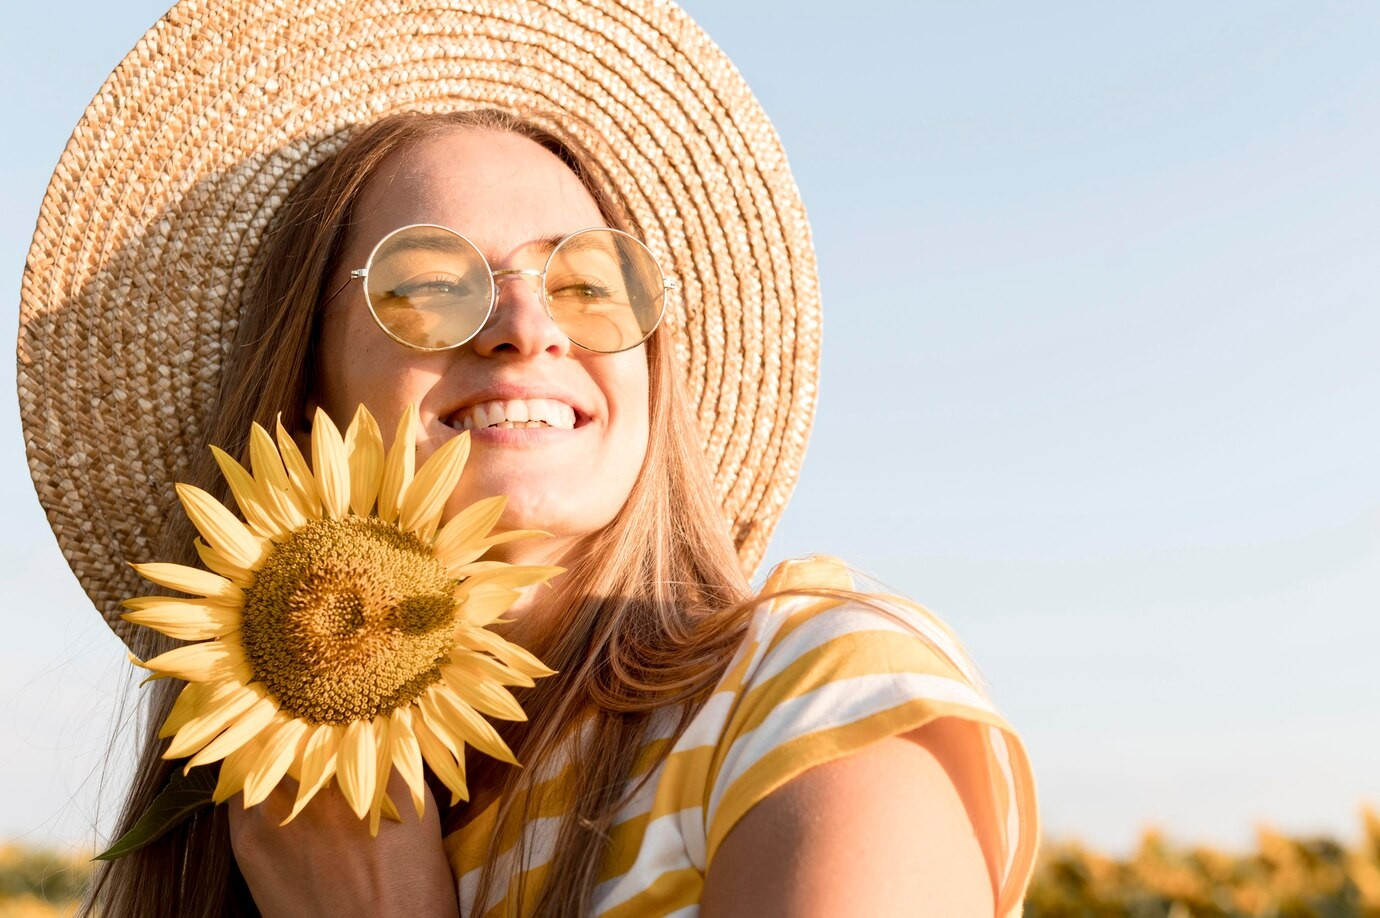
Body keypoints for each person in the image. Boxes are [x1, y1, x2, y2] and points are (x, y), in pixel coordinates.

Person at [17, 2, 1038, 916]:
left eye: (590, 281)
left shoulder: (810, 697)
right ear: (307, 382)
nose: (526, 327)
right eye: (429, 279)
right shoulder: (257, 839)